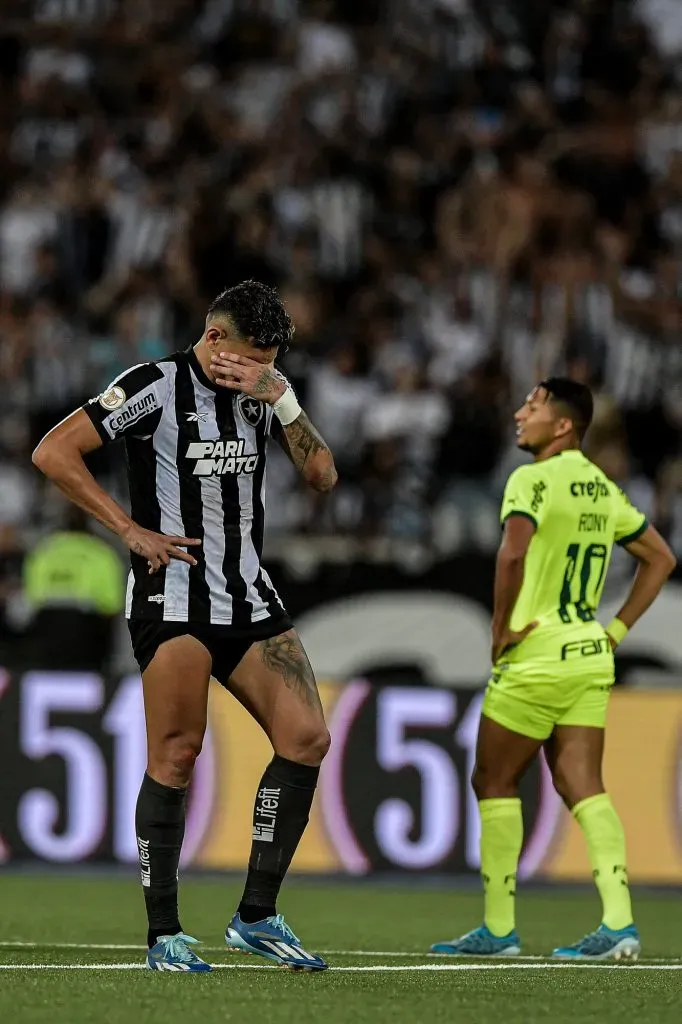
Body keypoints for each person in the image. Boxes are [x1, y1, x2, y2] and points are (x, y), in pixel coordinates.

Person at [32, 280, 338, 973]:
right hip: (174, 596)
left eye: (273, 360)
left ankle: (256, 915)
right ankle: (163, 932)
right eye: (256, 356)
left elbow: (323, 477)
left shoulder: (267, 393)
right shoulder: (154, 385)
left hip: (249, 596)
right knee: (177, 753)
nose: (263, 369)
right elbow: (53, 452)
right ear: (216, 337)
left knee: (308, 738)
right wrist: (127, 528)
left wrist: (283, 397)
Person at [431, 377, 676, 961]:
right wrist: (614, 632)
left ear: (563, 425)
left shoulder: (531, 479)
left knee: (492, 780)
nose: (519, 413)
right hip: (589, 654)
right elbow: (661, 558)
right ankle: (619, 922)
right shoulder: (601, 487)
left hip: (536, 655)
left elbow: (512, 552)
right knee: (582, 786)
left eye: (533, 406)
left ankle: (498, 928)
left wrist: (500, 630)